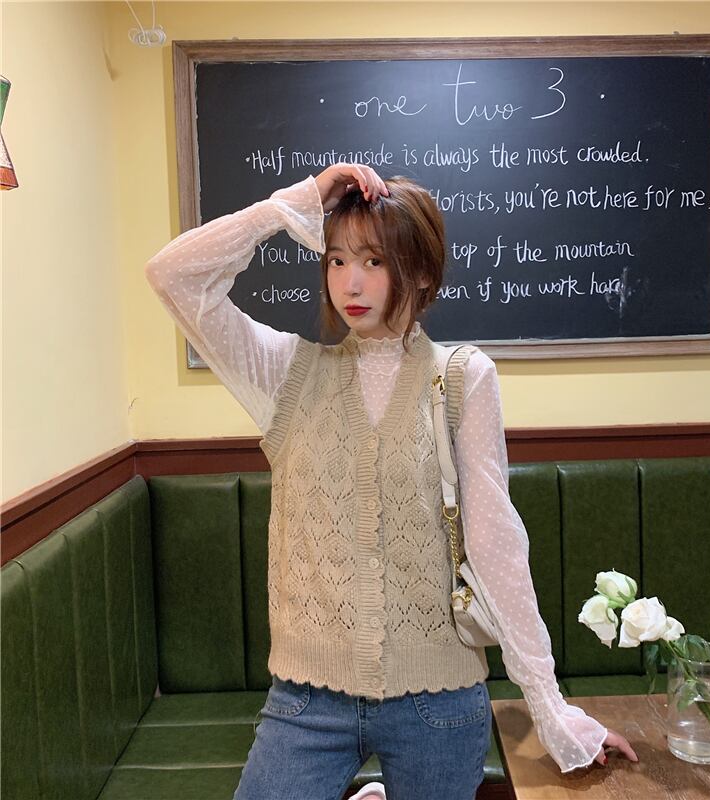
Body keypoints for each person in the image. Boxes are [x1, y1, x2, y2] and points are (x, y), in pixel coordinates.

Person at [145, 163, 638, 800]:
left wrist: (551, 709)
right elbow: (172, 275)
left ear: (423, 273)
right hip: (306, 701)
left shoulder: (462, 379)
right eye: (337, 259)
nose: (350, 282)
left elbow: (495, 546)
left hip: (438, 699)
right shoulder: (285, 374)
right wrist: (294, 204)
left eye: (374, 261)